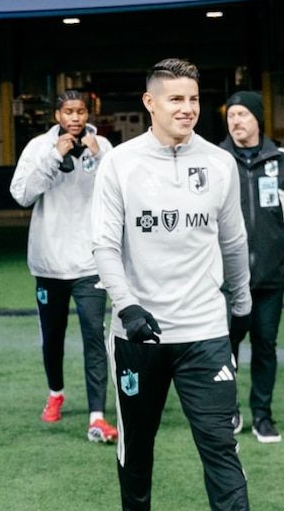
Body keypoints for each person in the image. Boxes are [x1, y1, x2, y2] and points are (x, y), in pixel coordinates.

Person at [92, 58, 253, 510]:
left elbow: (234, 242)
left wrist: (241, 305)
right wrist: (127, 306)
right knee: (137, 450)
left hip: (205, 331)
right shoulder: (119, 163)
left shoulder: (220, 163)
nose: (187, 108)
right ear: (150, 102)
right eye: (176, 99)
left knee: (221, 446)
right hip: (138, 334)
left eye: (194, 99)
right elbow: (104, 246)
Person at [218, 91, 284, 443]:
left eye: (243, 114)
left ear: (258, 119)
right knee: (224, 348)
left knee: (265, 346)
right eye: (231, 115)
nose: (236, 121)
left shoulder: (282, 161)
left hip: (270, 277)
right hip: (225, 280)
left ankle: (262, 417)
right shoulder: (214, 160)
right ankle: (229, 410)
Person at [10, 90, 117, 442]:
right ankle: (55, 393)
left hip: (90, 262)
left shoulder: (102, 146)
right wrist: (54, 156)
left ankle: (97, 415)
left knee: (94, 337)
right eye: (68, 111)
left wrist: (99, 157)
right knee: (52, 337)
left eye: (81, 111)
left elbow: (119, 191)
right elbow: (21, 194)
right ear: (57, 115)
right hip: (50, 263)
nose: (75, 117)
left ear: (88, 114)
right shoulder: (39, 147)